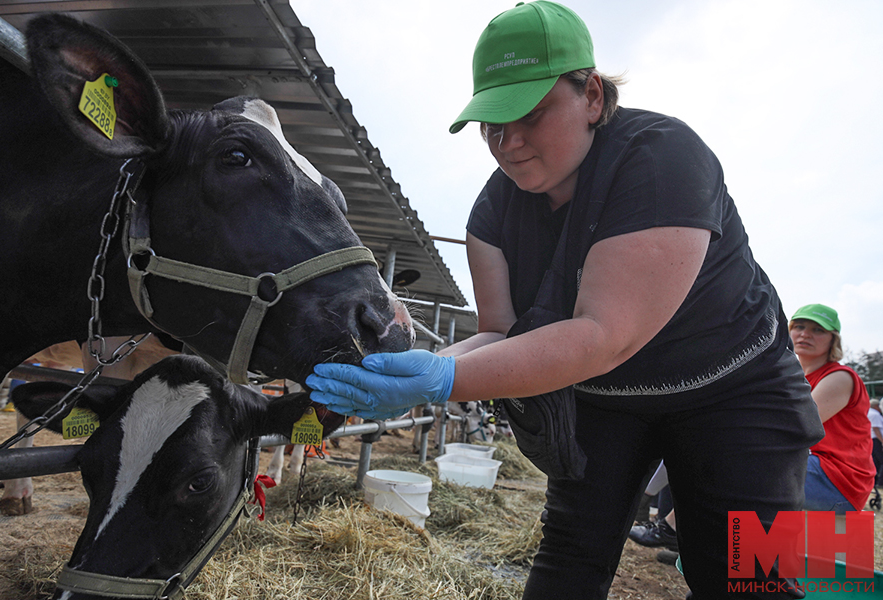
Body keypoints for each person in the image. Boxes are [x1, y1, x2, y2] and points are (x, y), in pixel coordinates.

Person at [307, 2, 824, 598]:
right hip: (605, 399)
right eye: (492, 123)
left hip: (732, 388)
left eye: (531, 113)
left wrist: (440, 382)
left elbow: (604, 332)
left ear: (594, 97)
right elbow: (501, 334)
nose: (510, 141)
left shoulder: (662, 157)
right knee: (570, 556)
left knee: (749, 576)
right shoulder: (493, 214)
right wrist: (425, 365)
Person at [790, 304, 876, 512]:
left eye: (817, 330)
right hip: (811, 465)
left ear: (833, 340)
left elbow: (794, 427)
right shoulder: (791, 377)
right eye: (799, 326)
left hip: (838, 479)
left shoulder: (839, 377)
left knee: (744, 471)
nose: (805, 334)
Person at [870, 399, 883, 486]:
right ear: (876, 406)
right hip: (876, 439)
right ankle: (880, 482)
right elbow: (876, 428)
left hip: (871, 439)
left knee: (875, 461)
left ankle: (875, 481)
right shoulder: (875, 414)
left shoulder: (869, 413)